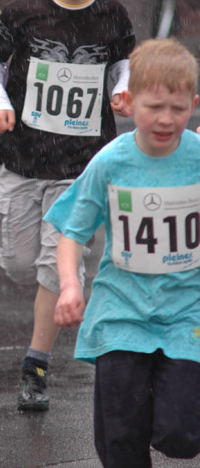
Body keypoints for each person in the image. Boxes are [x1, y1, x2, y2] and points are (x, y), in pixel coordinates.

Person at [0, 0, 135, 411]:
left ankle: (35, 367)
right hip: (24, 158)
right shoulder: (23, 12)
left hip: (81, 164)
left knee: (54, 266)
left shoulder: (112, 13)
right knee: (21, 262)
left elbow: (125, 63)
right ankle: (42, 289)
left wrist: (124, 91)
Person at [46, 38, 200, 467]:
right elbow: (73, 232)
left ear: (194, 104)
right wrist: (70, 286)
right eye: (155, 107)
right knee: (121, 443)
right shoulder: (111, 162)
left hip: (188, 312)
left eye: (178, 108)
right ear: (129, 103)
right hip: (122, 313)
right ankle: (127, 426)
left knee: (181, 435)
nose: (166, 119)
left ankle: (157, 411)